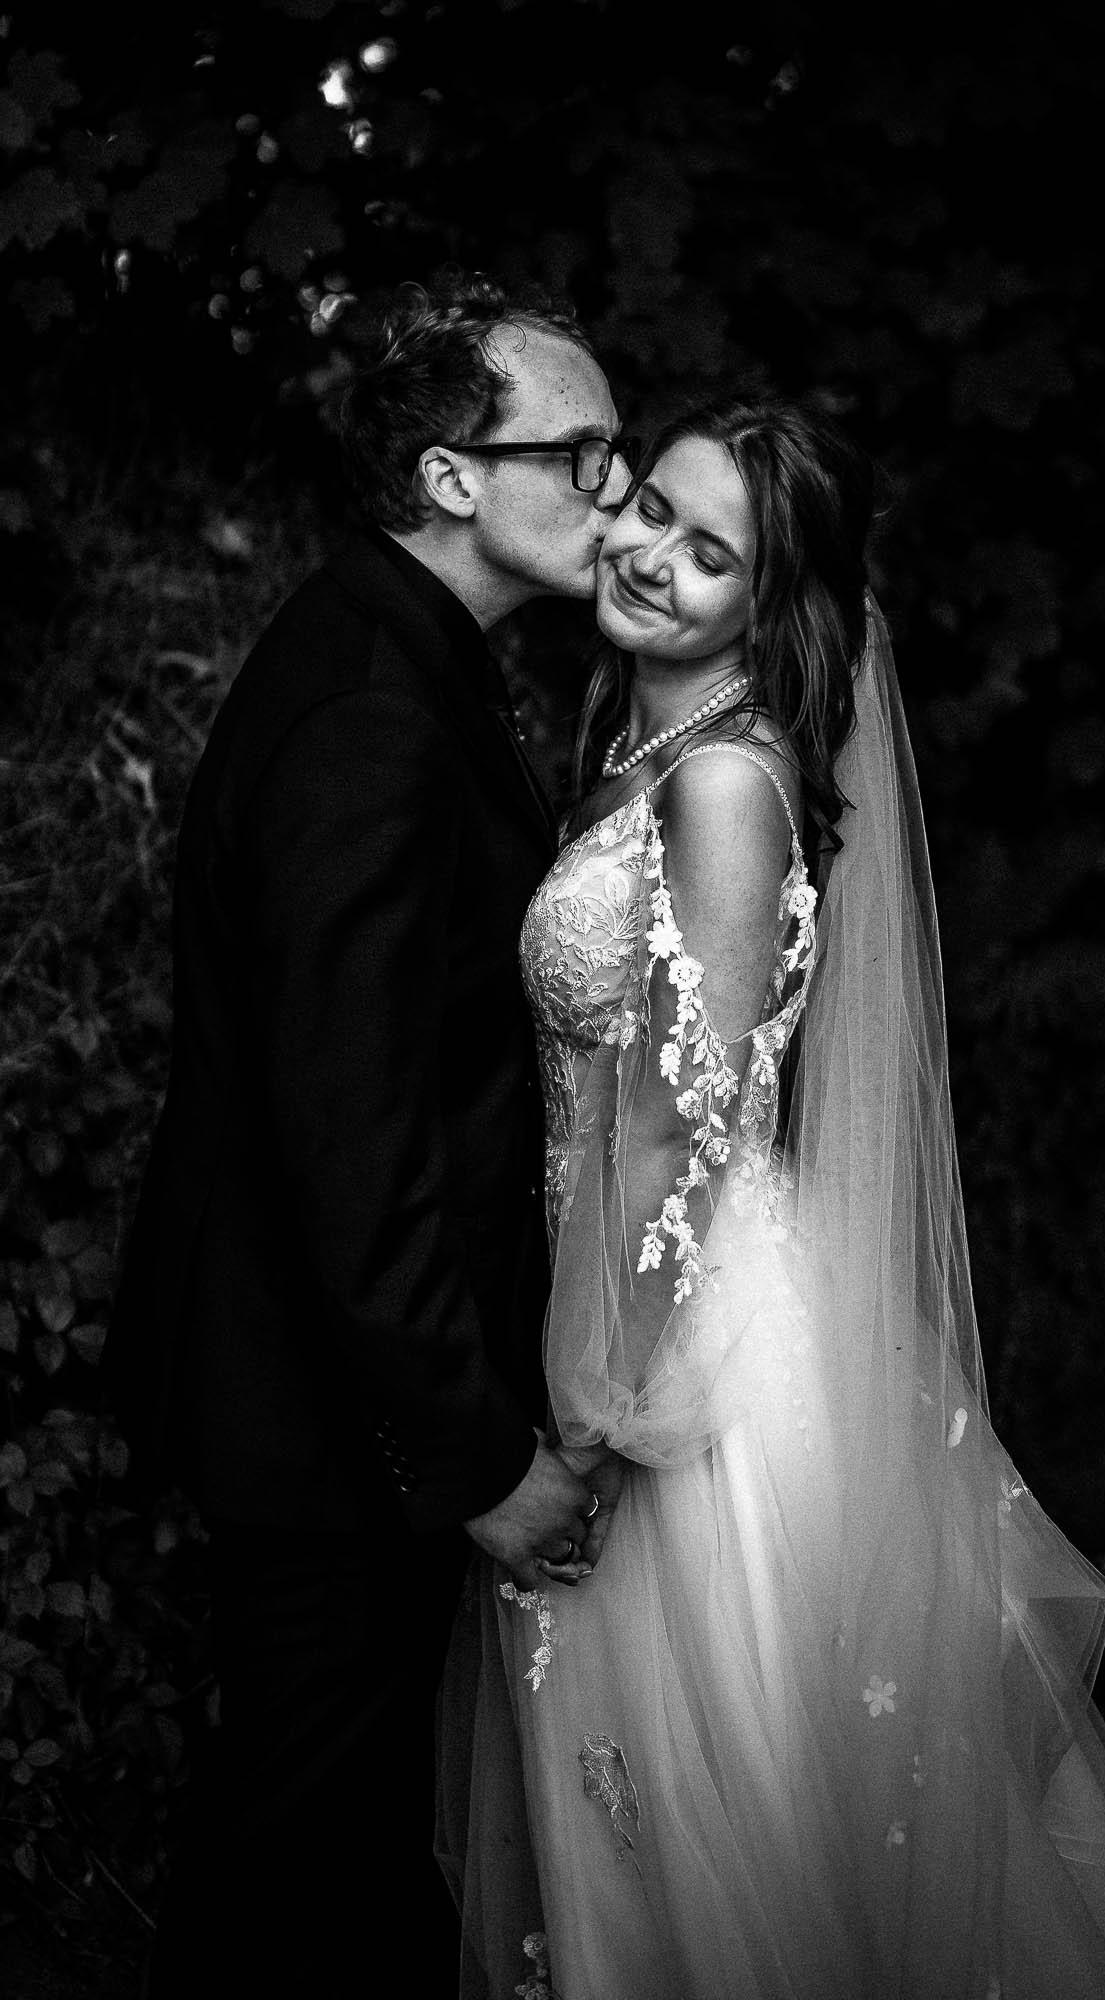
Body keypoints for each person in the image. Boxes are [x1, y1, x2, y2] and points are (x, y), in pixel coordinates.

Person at [438, 398, 1105, 1999]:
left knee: (718, 1776)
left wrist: (592, 1411)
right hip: (615, 1285)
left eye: (707, 555)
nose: (648, 554)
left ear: (765, 609)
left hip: (674, 1337)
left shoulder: (719, 786)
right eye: (648, 508)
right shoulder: (638, 746)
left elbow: (682, 1131)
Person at [101, 274, 638, 1996]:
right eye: (582, 453)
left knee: (337, 1846)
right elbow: (352, 1137)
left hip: (330, 1384)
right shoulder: (366, 716)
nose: (616, 491)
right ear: (451, 477)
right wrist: (473, 1460)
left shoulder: (402, 657)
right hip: (322, 1398)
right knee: (291, 1845)